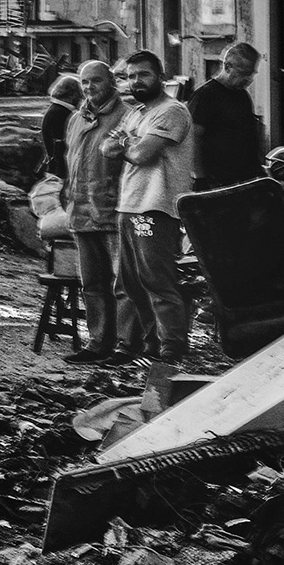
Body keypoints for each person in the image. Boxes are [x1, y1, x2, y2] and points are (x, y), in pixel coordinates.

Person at [101, 50, 196, 364]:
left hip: (156, 206)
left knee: (156, 279)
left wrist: (129, 143)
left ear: (161, 77)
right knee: (127, 283)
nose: (136, 81)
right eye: (130, 76)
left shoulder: (172, 111)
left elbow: (142, 155)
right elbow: (107, 147)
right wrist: (132, 143)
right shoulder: (136, 112)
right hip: (129, 204)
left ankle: (172, 346)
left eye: (143, 74)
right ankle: (133, 345)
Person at [60, 60, 132, 364]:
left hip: (113, 213)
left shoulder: (127, 116)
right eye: (84, 82)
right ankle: (98, 342)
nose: (90, 88)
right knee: (92, 284)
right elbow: (70, 161)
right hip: (81, 212)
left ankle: (126, 346)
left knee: (123, 285)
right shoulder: (76, 119)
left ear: (111, 83)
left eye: (96, 81)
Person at [187, 41, 263, 190]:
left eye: (252, 73)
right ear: (227, 67)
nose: (249, 79)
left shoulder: (242, 96)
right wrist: (199, 178)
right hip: (215, 181)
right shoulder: (205, 96)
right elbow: (193, 138)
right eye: (244, 73)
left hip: (243, 179)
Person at [39, 74, 82, 180]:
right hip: (60, 171)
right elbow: (60, 146)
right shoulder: (63, 113)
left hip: (54, 168)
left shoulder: (55, 110)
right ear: (72, 94)